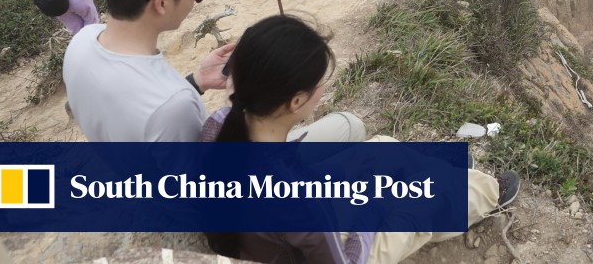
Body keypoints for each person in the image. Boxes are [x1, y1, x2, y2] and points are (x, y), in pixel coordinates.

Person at [202, 15, 519, 264]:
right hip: (331, 249)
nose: (323, 87)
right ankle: (489, 193)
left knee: (382, 149)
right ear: (296, 101)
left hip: (277, 231)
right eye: (320, 81)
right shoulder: (299, 203)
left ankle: (449, 176)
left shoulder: (220, 124)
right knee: (418, 206)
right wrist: (372, 206)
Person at [62, 0, 367, 144]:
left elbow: (137, 113)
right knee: (350, 126)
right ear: (162, 3)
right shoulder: (176, 107)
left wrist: (197, 81)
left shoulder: (82, 43)